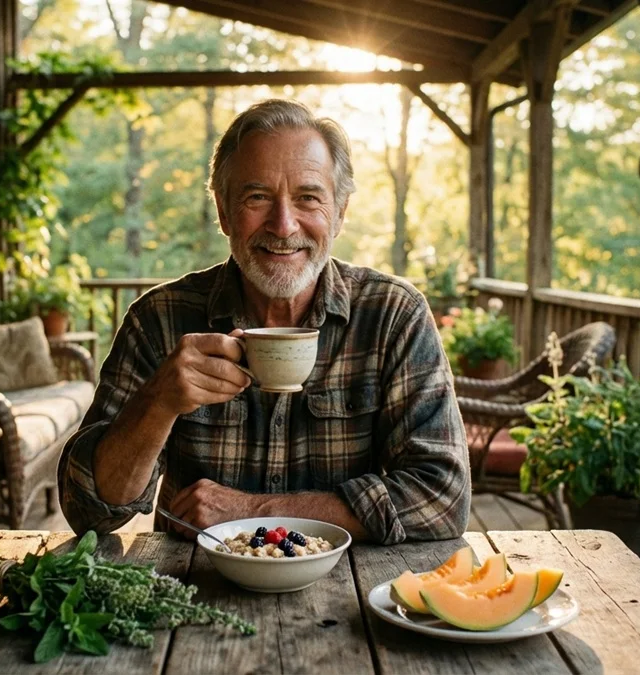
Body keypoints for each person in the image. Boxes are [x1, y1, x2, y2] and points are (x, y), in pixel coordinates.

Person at [58, 99, 469, 544]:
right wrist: (158, 402)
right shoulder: (159, 318)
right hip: (190, 590)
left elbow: (443, 497)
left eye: (308, 198)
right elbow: (87, 510)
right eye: (257, 197)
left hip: (349, 590)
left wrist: (254, 512)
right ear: (223, 211)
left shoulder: (393, 315)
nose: (283, 224)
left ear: (341, 212)